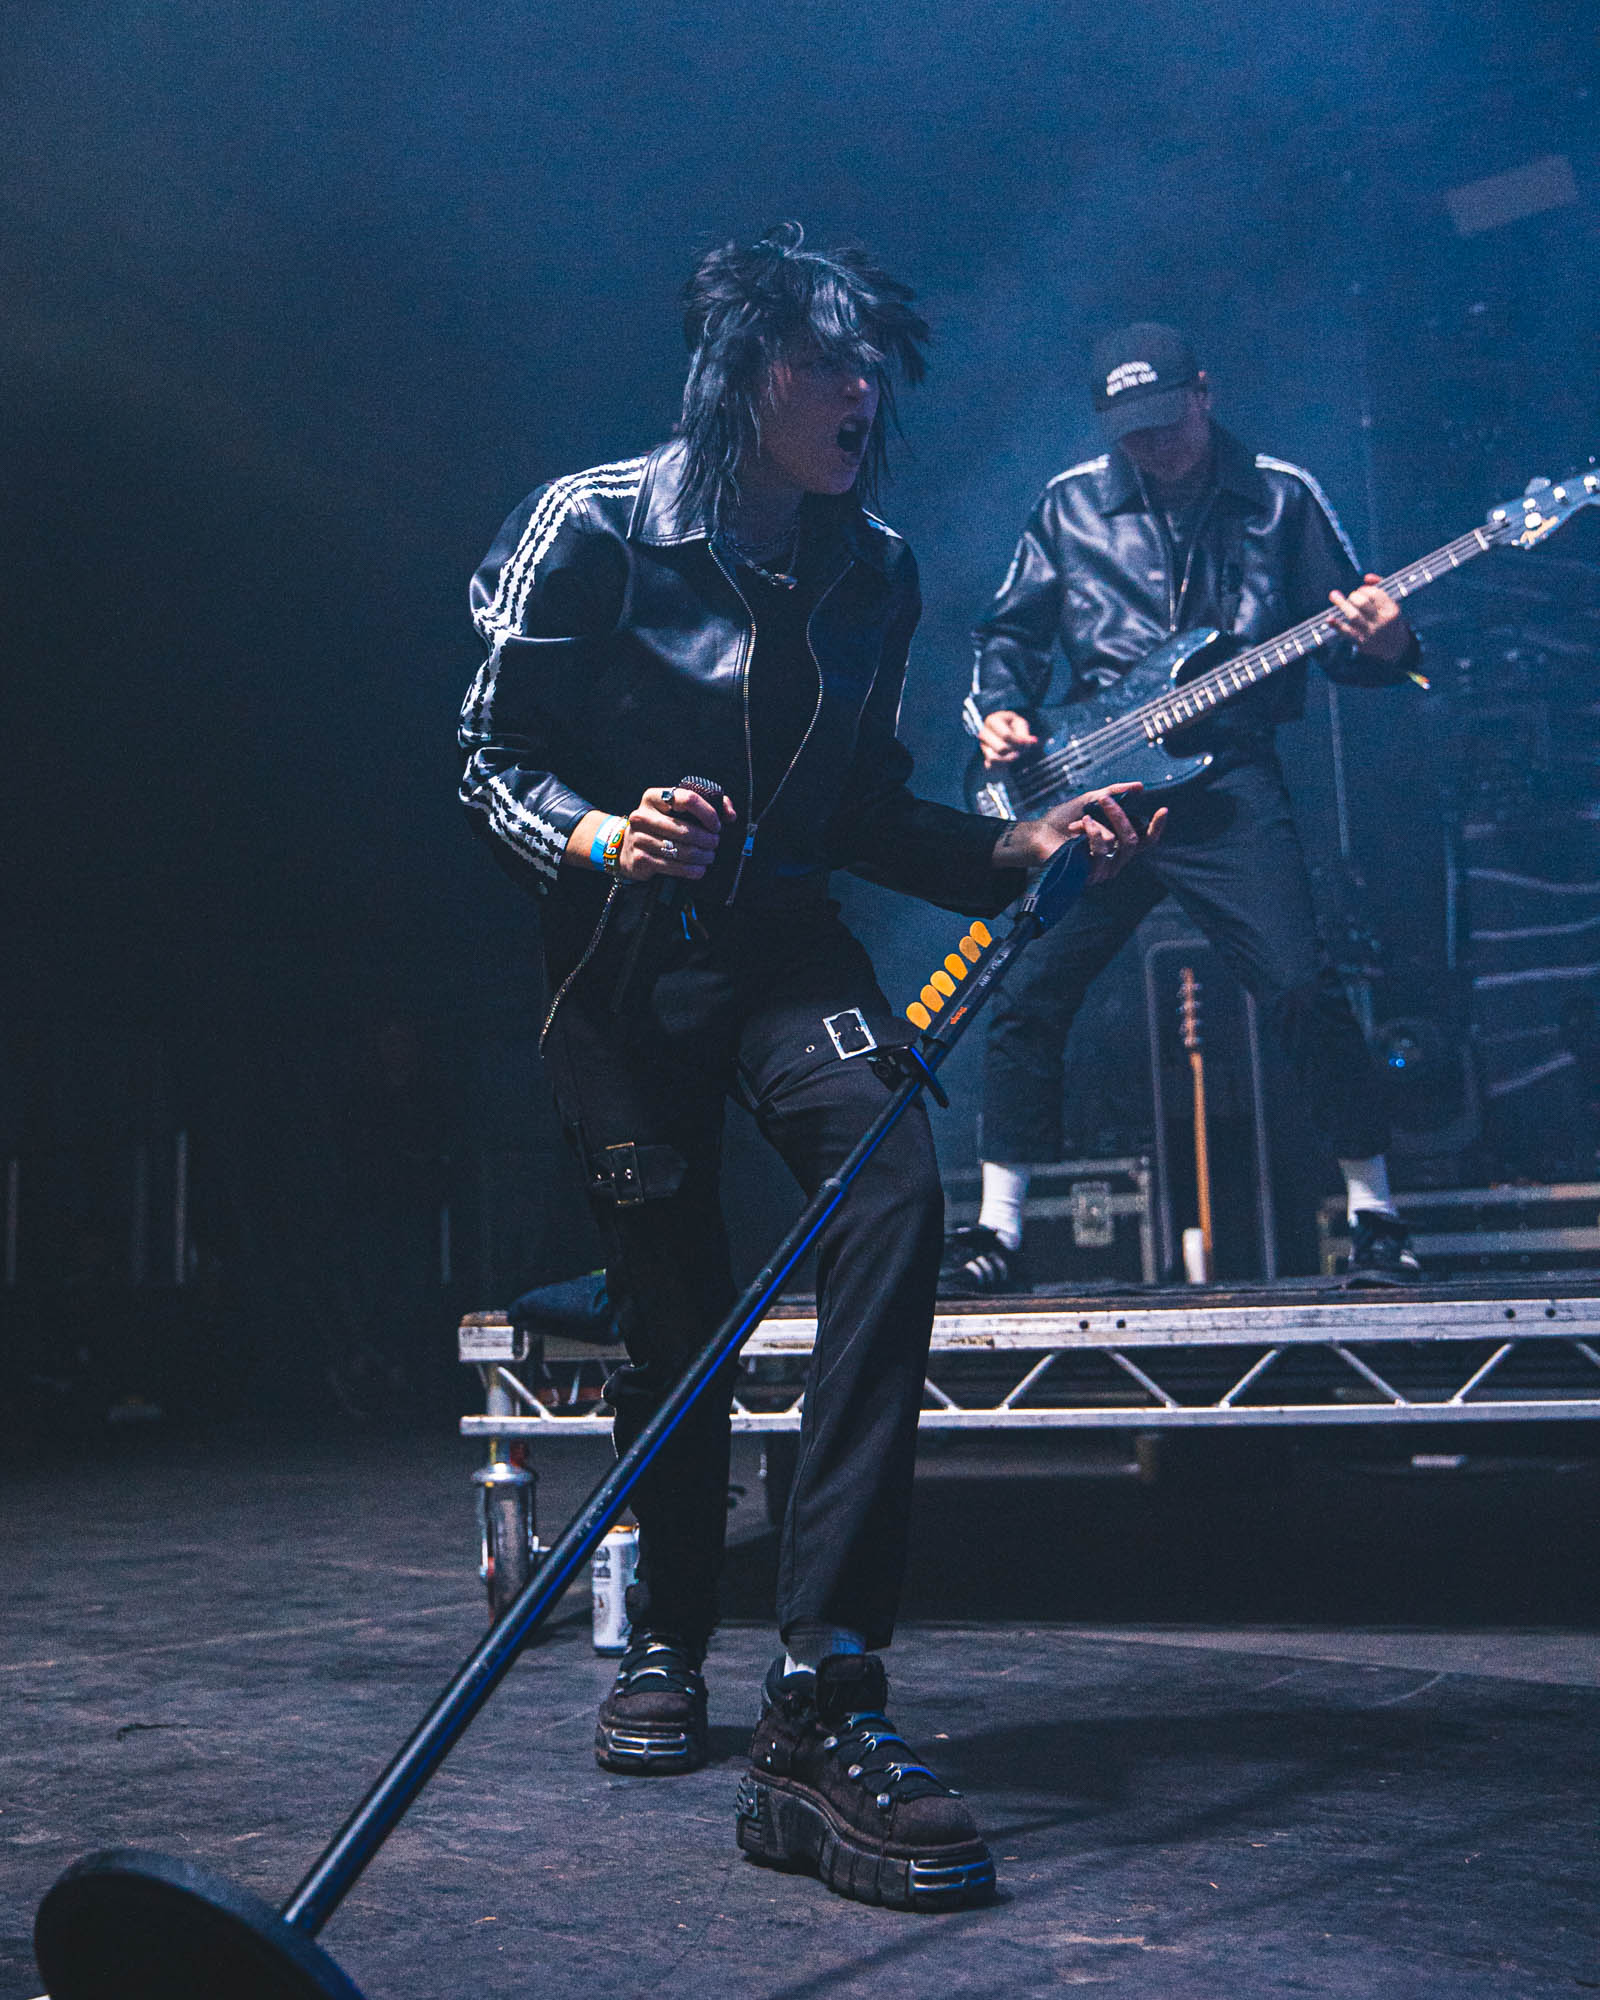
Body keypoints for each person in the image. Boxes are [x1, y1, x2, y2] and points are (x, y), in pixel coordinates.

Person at [457, 224, 1156, 1911]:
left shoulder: (873, 566)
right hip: (623, 976)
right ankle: (667, 1643)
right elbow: (486, 757)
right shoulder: (593, 525)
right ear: (743, 374)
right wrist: (610, 835)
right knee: (673, 1311)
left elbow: (858, 810)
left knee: (891, 1189)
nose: (861, 395)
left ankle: (825, 1684)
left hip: (785, 956)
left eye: (872, 368)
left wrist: (1011, 846)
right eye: (827, 364)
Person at [943, 322, 1423, 1296]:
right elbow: (1008, 635)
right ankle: (997, 1232)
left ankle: (1375, 1216)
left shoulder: (1281, 498)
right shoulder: (1068, 505)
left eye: (1167, 420)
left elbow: (1345, 640)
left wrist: (1388, 646)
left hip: (1225, 784)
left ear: (1204, 392)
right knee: (1024, 991)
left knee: (1299, 986)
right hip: (1095, 789)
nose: (1153, 444)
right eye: (1132, 431)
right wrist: (1000, 709)